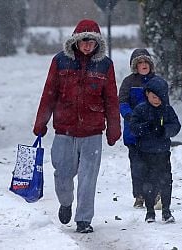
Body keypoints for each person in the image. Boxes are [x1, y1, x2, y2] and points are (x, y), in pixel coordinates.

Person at [33, 19, 121, 233]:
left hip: (92, 132)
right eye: (84, 41)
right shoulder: (60, 61)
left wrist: (114, 127)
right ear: (75, 41)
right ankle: (66, 202)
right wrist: (41, 122)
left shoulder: (105, 65)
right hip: (64, 129)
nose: (87, 45)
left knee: (88, 178)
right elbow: (49, 93)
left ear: (98, 43)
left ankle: (84, 220)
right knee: (62, 174)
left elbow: (110, 98)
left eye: (92, 42)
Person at [118, 49, 169, 208]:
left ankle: (156, 194)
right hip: (134, 132)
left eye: (146, 62)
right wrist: (130, 116)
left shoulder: (158, 82)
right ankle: (140, 195)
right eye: (139, 63)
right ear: (135, 66)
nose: (143, 65)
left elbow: (165, 105)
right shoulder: (128, 82)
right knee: (137, 165)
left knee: (155, 164)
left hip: (154, 133)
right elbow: (123, 102)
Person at [129, 76, 181, 223]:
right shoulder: (141, 110)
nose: (156, 100)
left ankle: (166, 210)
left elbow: (176, 126)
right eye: (153, 97)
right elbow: (133, 127)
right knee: (148, 182)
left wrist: (164, 131)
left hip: (163, 153)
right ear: (147, 94)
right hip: (144, 153)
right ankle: (150, 211)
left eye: (160, 97)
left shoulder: (167, 110)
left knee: (166, 181)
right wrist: (146, 127)